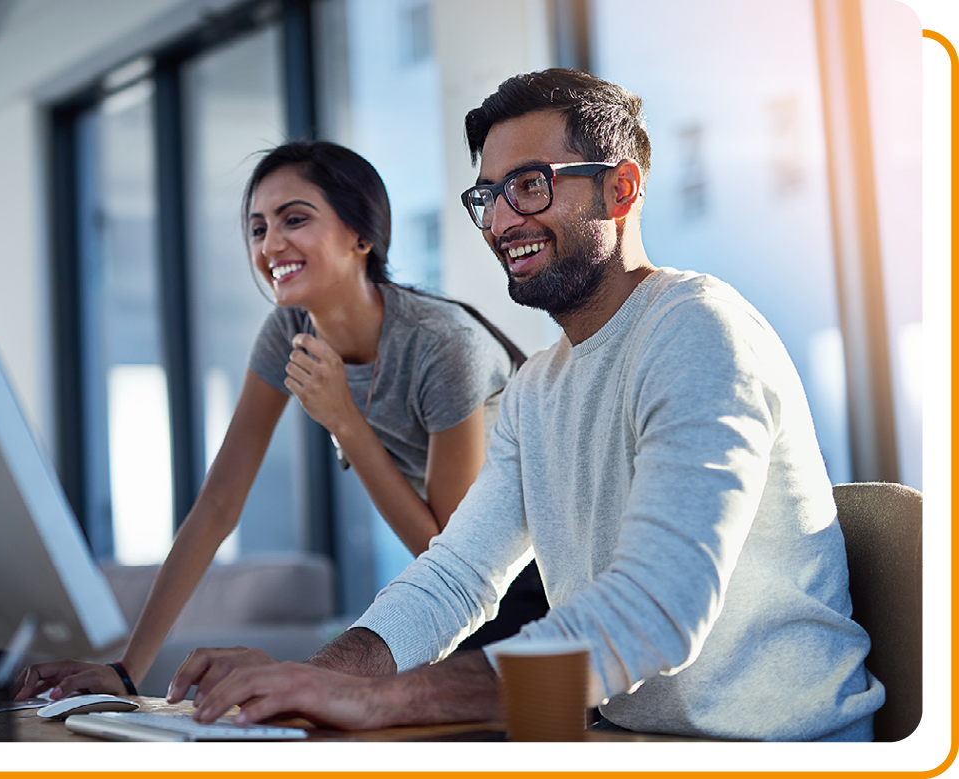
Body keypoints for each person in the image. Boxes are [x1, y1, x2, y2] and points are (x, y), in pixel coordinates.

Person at [161, 69, 885, 745]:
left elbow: (658, 610)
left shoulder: (697, 329)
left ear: (621, 190)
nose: (502, 219)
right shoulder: (539, 386)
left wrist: (381, 699)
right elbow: (455, 577)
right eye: (488, 195)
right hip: (629, 739)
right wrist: (315, 679)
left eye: (530, 185)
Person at [12, 140, 545, 701]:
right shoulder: (287, 330)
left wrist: (345, 423)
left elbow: (446, 552)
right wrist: (125, 671)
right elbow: (217, 506)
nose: (271, 244)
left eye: (295, 219)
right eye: (258, 228)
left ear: (361, 237)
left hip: (536, 575)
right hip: (457, 594)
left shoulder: (442, 346)